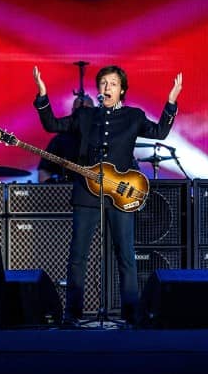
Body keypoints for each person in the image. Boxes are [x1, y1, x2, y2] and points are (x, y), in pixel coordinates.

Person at [33, 65, 182, 325]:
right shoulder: (85, 116)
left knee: (125, 254)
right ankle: (73, 315)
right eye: (103, 83)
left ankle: (130, 314)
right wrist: (43, 95)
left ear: (122, 89)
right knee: (78, 255)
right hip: (86, 193)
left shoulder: (133, 116)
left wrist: (171, 102)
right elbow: (52, 125)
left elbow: (159, 132)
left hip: (120, 194)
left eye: (113, 83)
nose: (107, 87)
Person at [37, 95, 94, 183]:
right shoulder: (60, 140)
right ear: (72, 111)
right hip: (69, 190)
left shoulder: (104, 136)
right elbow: (44, 171)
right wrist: (52, 189)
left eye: (87, 110)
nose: (83, 115)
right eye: (79, 111)